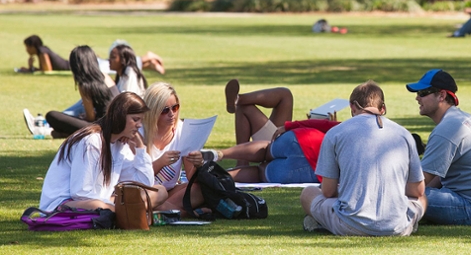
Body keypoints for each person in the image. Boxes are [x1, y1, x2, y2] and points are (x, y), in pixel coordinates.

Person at [300, 80, 426, 236]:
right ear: (383, 108)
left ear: (352, 107)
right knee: (422, 200)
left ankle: (324, 223)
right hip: (397, 226)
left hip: (350, 224)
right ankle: (408, 222)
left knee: (308, 193)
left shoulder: (335, 133)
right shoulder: (404, 134)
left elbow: (328, 191)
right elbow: (418, 190)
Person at [406, 69, 471, 225]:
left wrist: (391, 188)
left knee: (405, 195)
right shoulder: (461, 119)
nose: (417, 97)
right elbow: (435, 176)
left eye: (423, 92)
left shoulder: (447, 129)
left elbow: (418, 185)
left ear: (441, 96)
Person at [39, 92, 167, 212]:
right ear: (120, 116)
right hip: (66, 203)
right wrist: (113, 204)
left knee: (159, 191)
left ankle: (128, 213)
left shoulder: (120, 143)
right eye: (135, 119)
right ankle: (130, 213)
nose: (139, 125)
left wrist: (140, 148)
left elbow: (144, 183)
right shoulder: (91, 141)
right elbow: (80, 193)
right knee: (101, 206)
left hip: (100, 200)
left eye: (141, 120)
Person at [190, 117, 340, 184]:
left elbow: (324, 123)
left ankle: (219, 154)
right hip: (316, 168)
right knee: (260, 173)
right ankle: (215, 176)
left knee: (267, 148)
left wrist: (289, 125)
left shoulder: (352, 124)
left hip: (305, 139)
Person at [141, 82, 204, 214]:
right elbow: (135, 179)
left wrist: (198, 164)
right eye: (165, 110)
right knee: (159, 192)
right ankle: (183, 213)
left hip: (168, 193)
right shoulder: (139, 132)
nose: (172, 114)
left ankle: (161, 210)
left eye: (175, 108)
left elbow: (192, 177)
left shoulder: (182, 130)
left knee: (202, 189)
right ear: (153, 111)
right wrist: (160, 163)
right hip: (143, 191)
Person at [44, 46, 119, 138]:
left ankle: (67, 133)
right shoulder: (105, 76)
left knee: (51, 115)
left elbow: (90, 117)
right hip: (118, 124)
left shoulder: (85, 85)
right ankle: (67, 134)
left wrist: (81, 117)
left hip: (102, 128)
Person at [224, 79, 293, 151]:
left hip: (291, 144)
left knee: (245, 108)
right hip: (290, 137)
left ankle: (238, 100)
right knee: (285, 95)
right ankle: (238, 99)